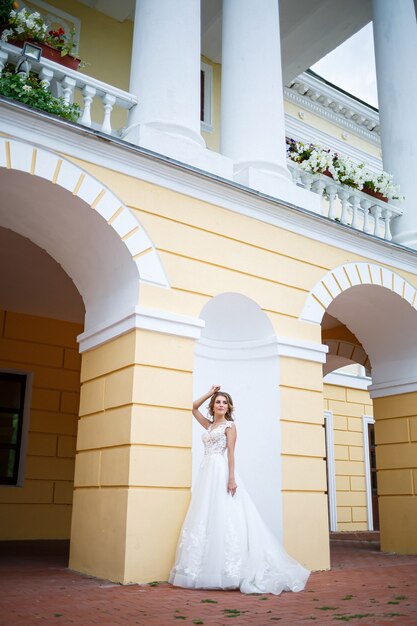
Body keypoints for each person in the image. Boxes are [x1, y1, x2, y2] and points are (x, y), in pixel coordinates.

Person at [169, 385, 310, 595]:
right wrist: (210, 393)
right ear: (213, 406)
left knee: (225, 514)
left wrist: (232, 478)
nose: (221, 405)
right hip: (206, 472)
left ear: (228, 408)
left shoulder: (230, 426)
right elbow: (192, 407)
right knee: (206, 514)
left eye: (224, 402)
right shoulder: (208, 425)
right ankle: (203, 569)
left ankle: (230, 571)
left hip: (220, 470)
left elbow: (231, 453)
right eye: (218, 402)